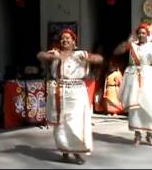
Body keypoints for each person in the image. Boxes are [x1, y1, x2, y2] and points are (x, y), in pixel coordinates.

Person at [37, 28, 103, 164]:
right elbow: (40, 55)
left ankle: (77, 152)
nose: (64, 40)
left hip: (76, 92)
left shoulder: (80, 53)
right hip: (59, 92)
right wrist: (51, 56)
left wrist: (89, 57)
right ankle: (65, 151)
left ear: (74, 41)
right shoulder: (56, 53)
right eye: (62, 38)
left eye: (68, 38)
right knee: (61, 124)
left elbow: (99, 59)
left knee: (75, 123)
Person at [114, 23, 152, 147]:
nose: (141, 35)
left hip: (148, 76)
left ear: (147, 34)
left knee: (149, 104)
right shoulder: (132, 46)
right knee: (136, 105)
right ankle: (137, 135)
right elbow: (117, 51)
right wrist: (126, 42)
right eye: (139, 33)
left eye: (144, 33)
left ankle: (149, 135)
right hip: (135, 76)